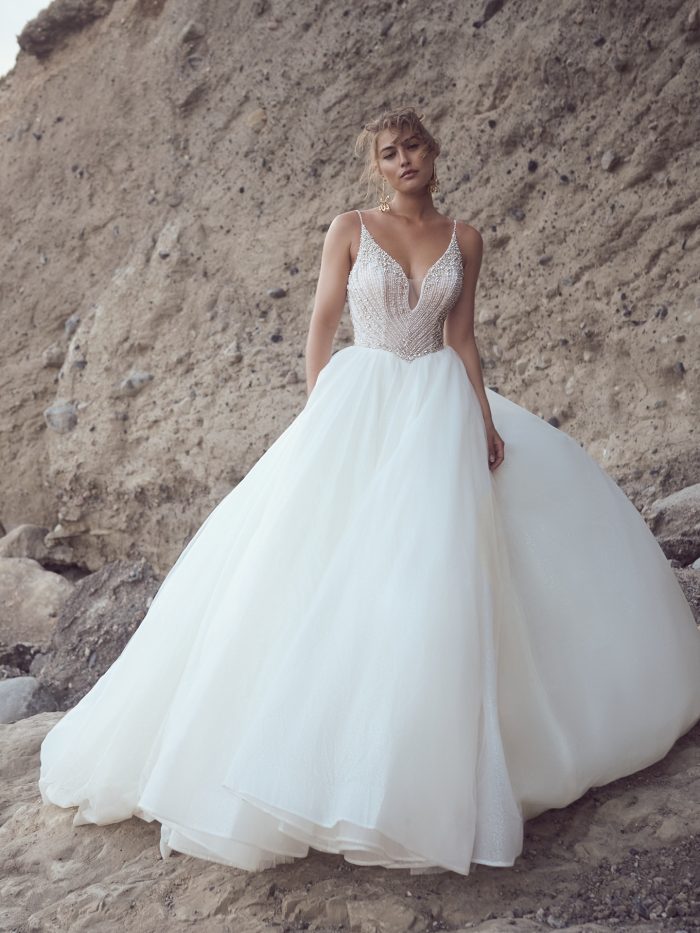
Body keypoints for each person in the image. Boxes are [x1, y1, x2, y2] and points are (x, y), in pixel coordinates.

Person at [38, 107, 700, 877]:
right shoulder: (349, 226)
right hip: (359, 401)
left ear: (432, 151)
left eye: (413, 144)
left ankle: (412, 768)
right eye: (390, 151)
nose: (404, 158)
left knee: (433, 570)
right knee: (315, 562)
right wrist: (322, 409)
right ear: (378, 166)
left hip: (438, 403)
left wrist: (483, 418)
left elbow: (461, 339)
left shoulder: (467, 238)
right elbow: (323, 319)